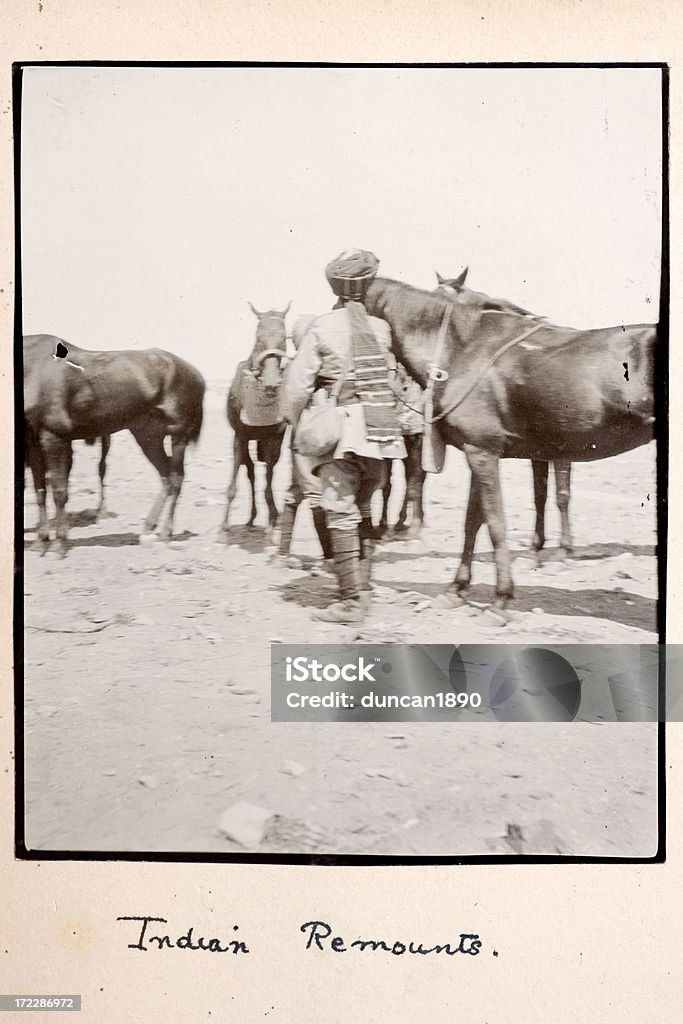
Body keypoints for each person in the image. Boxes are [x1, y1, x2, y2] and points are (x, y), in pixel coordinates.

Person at [281, 249, 406, 623]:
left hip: (341, 431)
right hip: (380, 432)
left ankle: (351, 602)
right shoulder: (381, 329)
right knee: (363, 507)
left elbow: (296, 387)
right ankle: (363, 587)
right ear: (367, 286)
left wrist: (296, 424)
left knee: (339, 509)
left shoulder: (321, 326)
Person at [277, 315, 333, 565]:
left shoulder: (294, 366)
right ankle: (330, 557)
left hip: (303, 435)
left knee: (297, 490)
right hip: (316, 435)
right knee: (314, 494)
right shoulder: (317, 367)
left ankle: (283, 551)